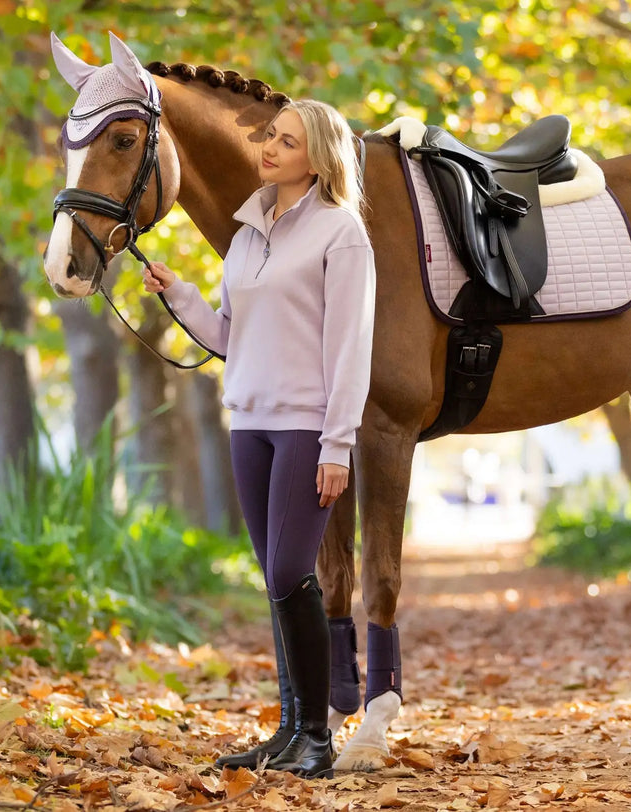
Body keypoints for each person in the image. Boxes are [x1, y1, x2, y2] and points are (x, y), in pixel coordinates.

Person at [143, 99, 374, 779]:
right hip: (248, 423)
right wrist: (180, 294)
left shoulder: (341, 233)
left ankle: (316, 735)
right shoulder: (246, 236)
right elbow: (226, 337)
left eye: (287, 142)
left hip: (307, 427)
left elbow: (350, 347)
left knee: (287, 571)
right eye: (270, 137)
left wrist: (338, 445)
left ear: (319, 158)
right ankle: (287, 732)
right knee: (275, 582)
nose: (269, 149)